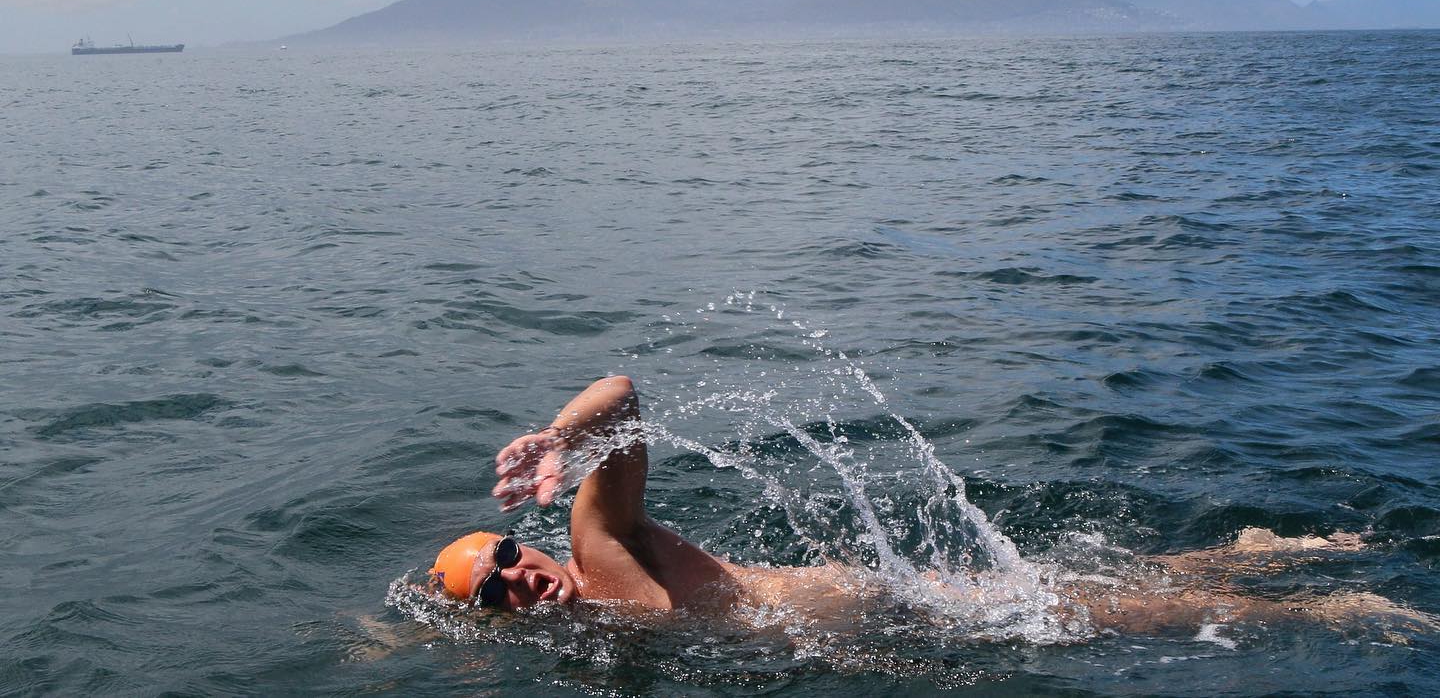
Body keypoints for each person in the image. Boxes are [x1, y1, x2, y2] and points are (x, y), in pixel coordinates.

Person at [430, 376, 1430, 636]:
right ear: (492, 624)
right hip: (903, 615)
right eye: (497, 595)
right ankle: (1273, 551)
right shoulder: (587, 631)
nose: (523, 579)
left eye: (509, 557)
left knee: (1132, 609)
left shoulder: (601, 552)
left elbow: (622, 397)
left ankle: (1348, 609)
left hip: (914, 610)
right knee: (1115, 592)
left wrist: (561, 438)